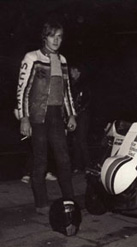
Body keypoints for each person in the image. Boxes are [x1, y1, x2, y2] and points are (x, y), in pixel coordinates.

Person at [16, 20, 77, 215]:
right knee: (40, 160)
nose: (56, 40)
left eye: (59, 36)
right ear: (45, 37)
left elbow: (66, 92)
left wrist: (72, 114)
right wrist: (24, 118)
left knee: (64, 159)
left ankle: (70, 201)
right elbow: (23, 90)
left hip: (56, 116)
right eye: (53, 36)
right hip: (37, 116)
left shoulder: (63, 60)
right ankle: (41, 203)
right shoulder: (32, 57)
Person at [69, 64, 91, 173]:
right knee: (74, 140)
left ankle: (87, 166)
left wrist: (79, 110)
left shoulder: (84, 83)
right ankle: (77, 166)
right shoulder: (73, 84)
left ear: (78, 71)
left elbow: (87, 100)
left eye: (73, 70)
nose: (71, 72)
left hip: (82, 115)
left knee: (81, 139)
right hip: (74, 115)